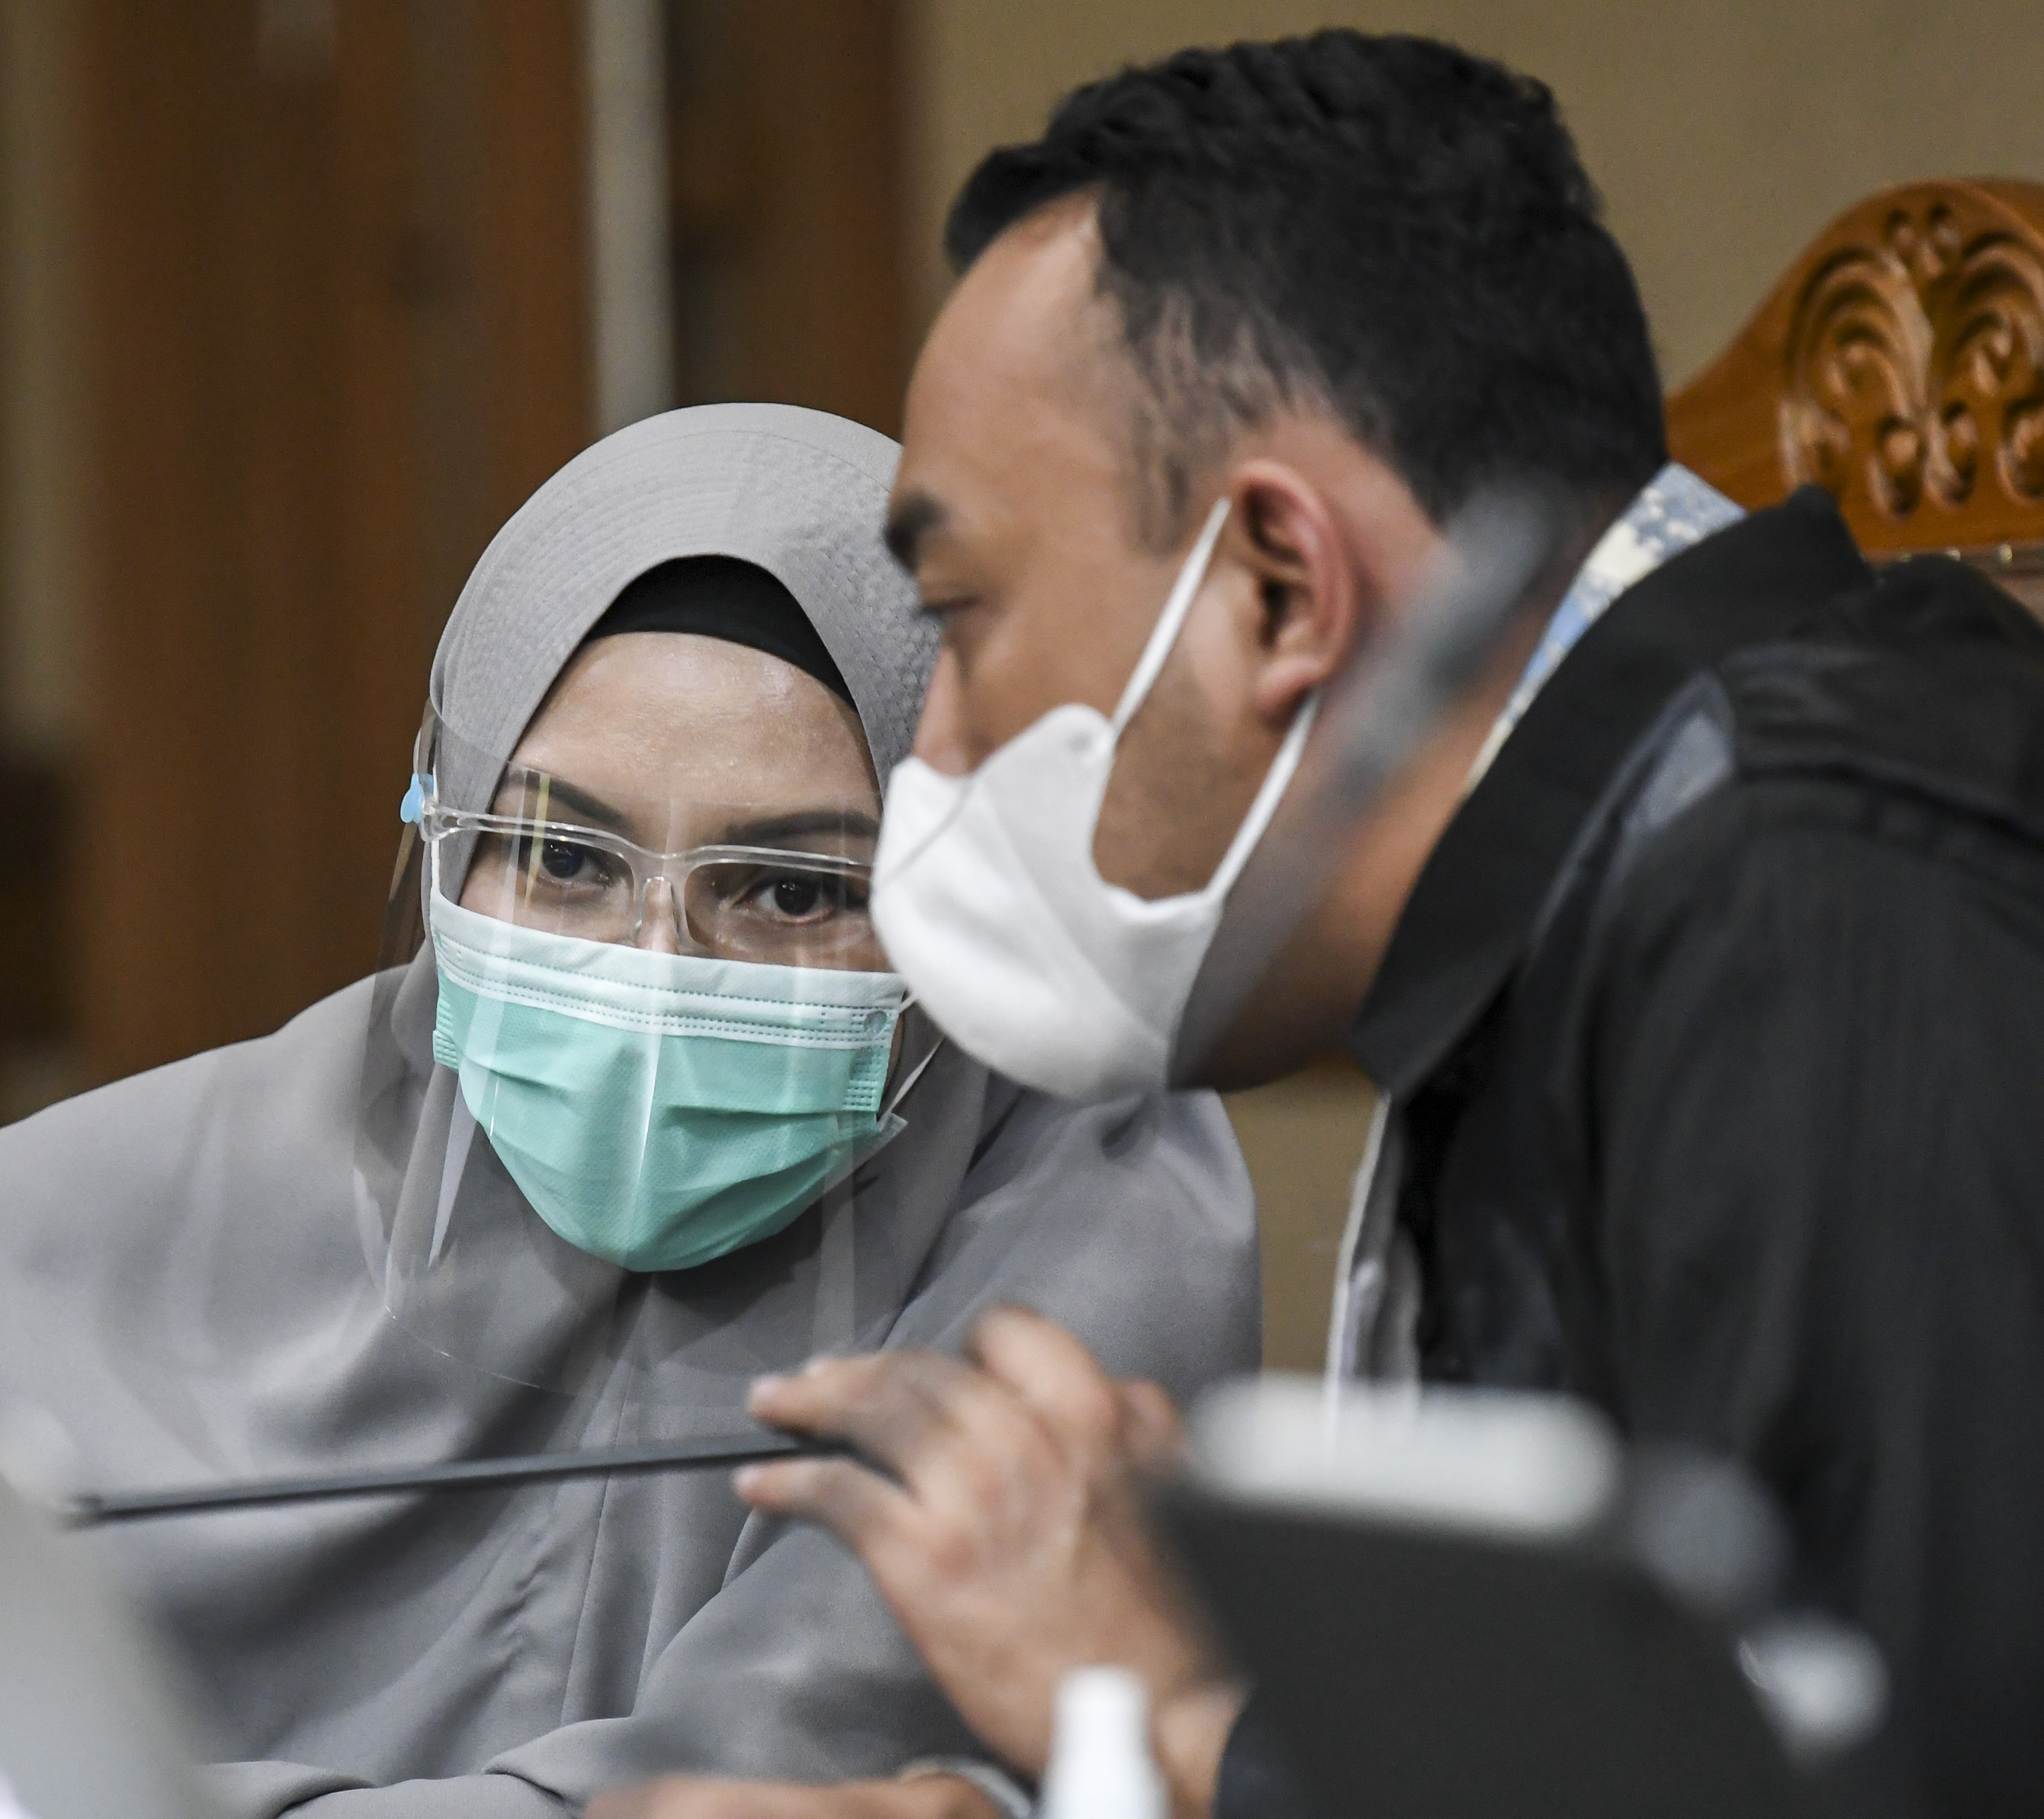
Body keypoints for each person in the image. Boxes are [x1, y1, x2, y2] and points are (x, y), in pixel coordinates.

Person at [0, 404, 1262, 1818]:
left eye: (789, 887)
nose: (657, 963)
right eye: (560, 857)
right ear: (435, 840)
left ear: (951, 886)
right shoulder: (244, 1155)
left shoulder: (1086, 1192)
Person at [595, 35, 2044, 1819]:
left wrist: (1176, 1715)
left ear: (1277, 585)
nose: (938, 757)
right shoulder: (1600, 891)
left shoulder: (1819, 900)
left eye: (963, 620)